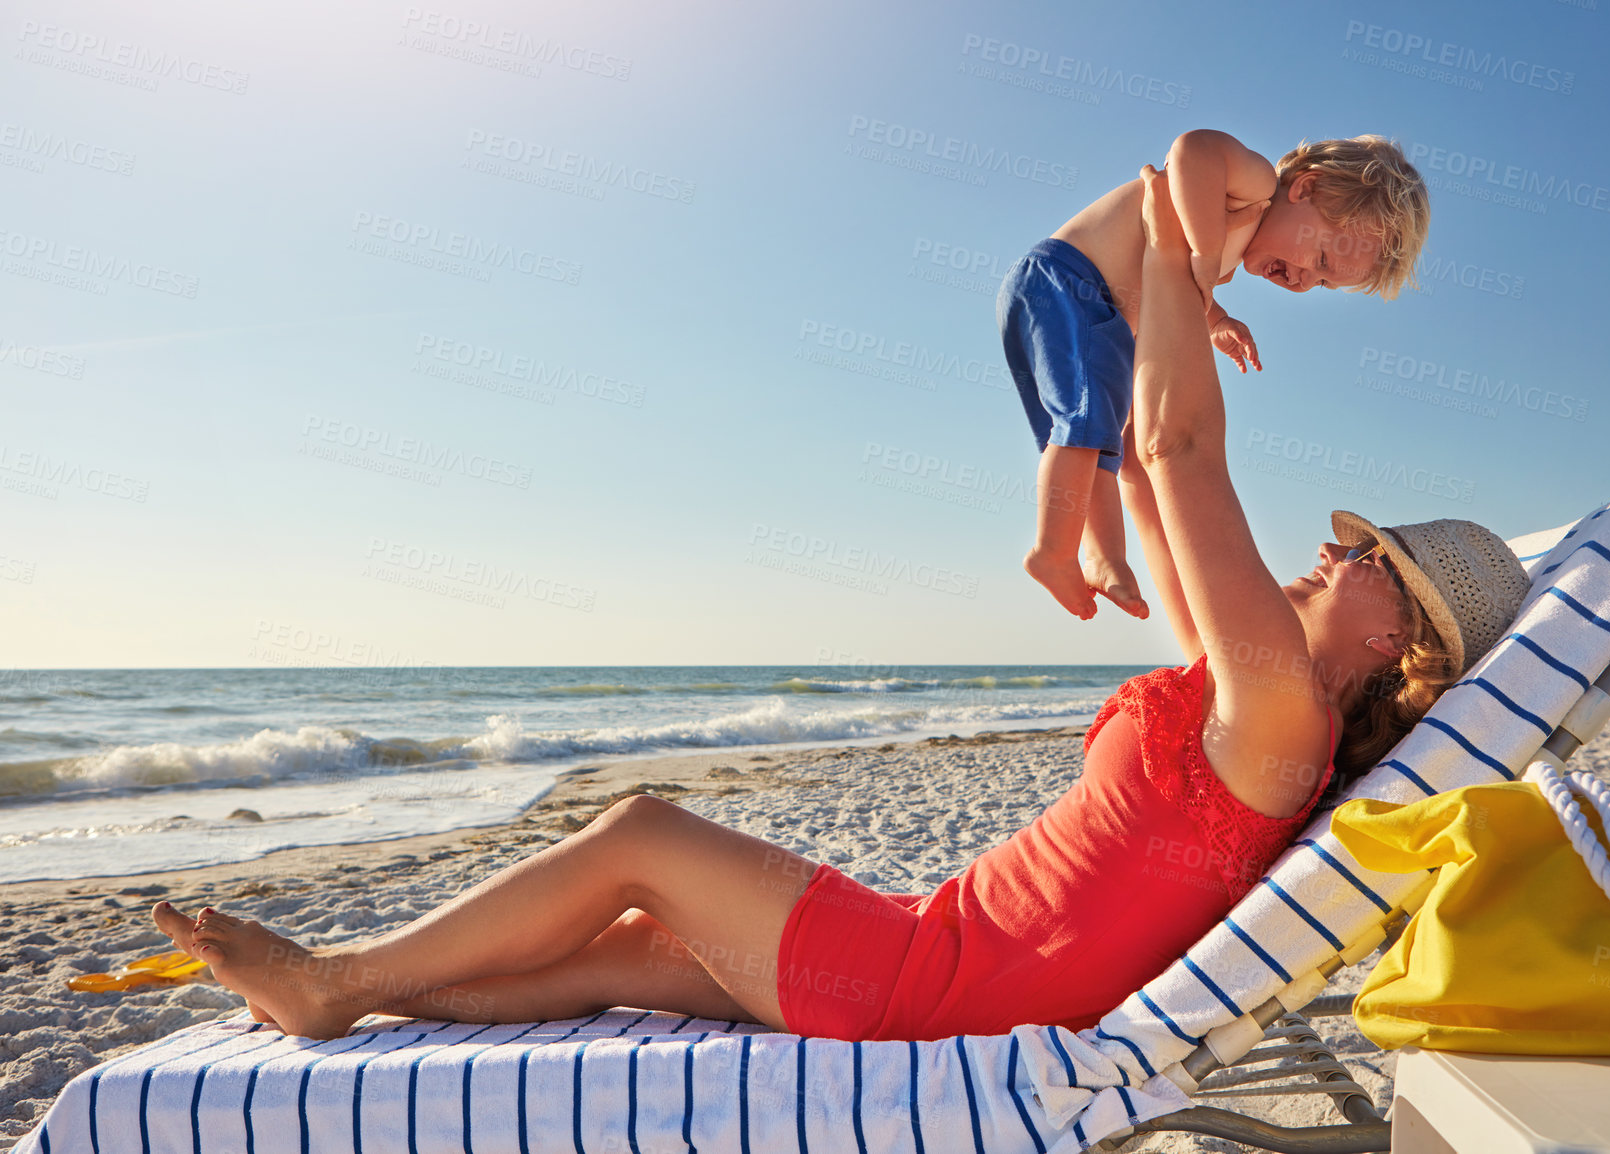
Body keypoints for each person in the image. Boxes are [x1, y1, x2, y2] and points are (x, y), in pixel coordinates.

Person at [149, 169, 1523, 1045]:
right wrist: (1150, 287)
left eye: (1357, 557)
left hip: (931, 981)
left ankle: (331, 984)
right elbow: (1162, 502)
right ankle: (348, 985)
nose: (1320, 556)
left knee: (637, 833)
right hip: (935, 945)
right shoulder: (1264, 707)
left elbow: (1174, 455)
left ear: (1396, 628)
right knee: (628, 947)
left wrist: (1173, 243)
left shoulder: (1279, 701)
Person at [1000, 131, 1430, 620]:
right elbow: (1191, 151)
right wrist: (1204, 255)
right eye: (1322, 258)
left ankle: (1104, 557)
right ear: (1305, 188)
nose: (1305, 281)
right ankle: (1052, 551)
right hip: (1070, 281)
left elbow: (1183, 270)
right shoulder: (1257, 183)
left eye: (1325, 281)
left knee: (1102, 442)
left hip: (1094, 308)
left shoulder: (1226, 235)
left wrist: (1217, 320)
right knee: (1085, 422)